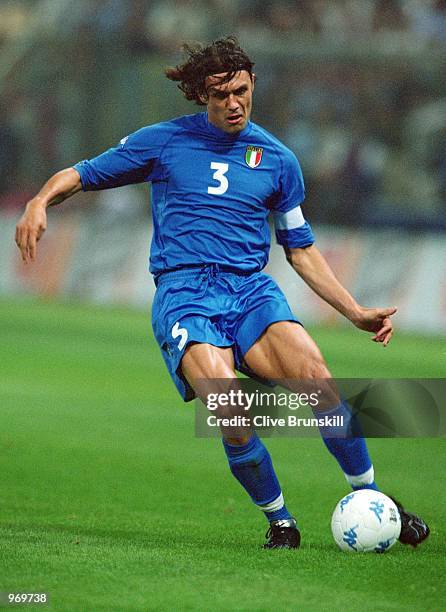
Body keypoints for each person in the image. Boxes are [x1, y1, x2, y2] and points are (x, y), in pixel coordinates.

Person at [15, 36, 429, 549]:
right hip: (185, 292)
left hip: (251, 291)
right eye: (219, 95)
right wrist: (40, 201)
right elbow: (81, 174)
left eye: (239, 91)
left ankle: (377, 502)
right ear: (202, 97)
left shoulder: (278, 160)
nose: (232, 103)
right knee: (228, 407)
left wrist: (355, 311)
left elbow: (299, 249)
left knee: (319, 381)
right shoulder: (162, 142)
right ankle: (280, 521)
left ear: (252, 83)